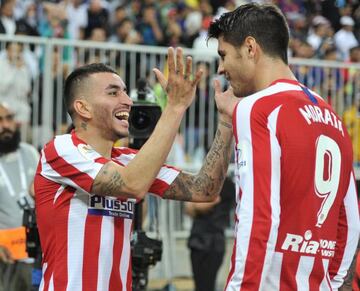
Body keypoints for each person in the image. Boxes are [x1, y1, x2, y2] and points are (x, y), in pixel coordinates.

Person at [34, 47, 235, 290]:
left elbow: (205, 190)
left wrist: (226, 120)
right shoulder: (61, 148)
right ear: (83, 108)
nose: (128, 101)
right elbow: (132, 185)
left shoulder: (130, 160)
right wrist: (174, 107)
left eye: (126, 93)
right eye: (113, 93)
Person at [207, 3, 359, 290]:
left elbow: (258, 216)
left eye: (224, 55)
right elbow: (350, 222)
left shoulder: (258, 108)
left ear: (250, 48)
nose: (221, 67)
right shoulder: (333, 117)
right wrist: (335, 283)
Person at [0, 101, 40, 291]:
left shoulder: (31, 152)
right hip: (7, 257)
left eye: (9, 118)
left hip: (38, 251)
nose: (6, 125)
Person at [185, 176, 235, 291]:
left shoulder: (226, 184)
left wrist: (194, 203)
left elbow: (201, 206)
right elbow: (189, 209)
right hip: (197, 240)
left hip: (213, 242)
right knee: (199, 285)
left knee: (207, 285)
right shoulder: (204, 181)